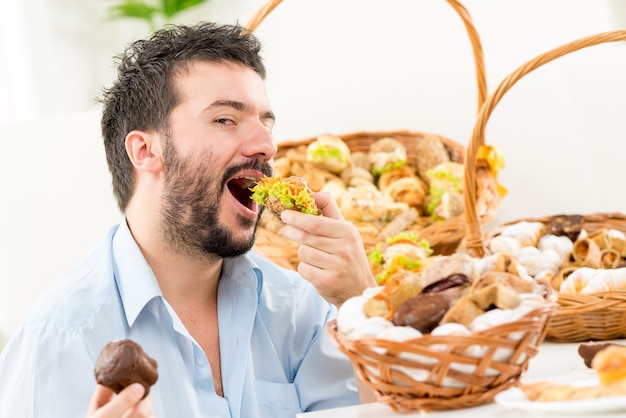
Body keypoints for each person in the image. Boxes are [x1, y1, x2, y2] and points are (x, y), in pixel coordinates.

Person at [0, 22, 377, 417]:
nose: (267, 146)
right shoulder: (59, 340)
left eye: (266, 123)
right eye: (225, 120)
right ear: (145, 151)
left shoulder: (302, 308)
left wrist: (362, 304)